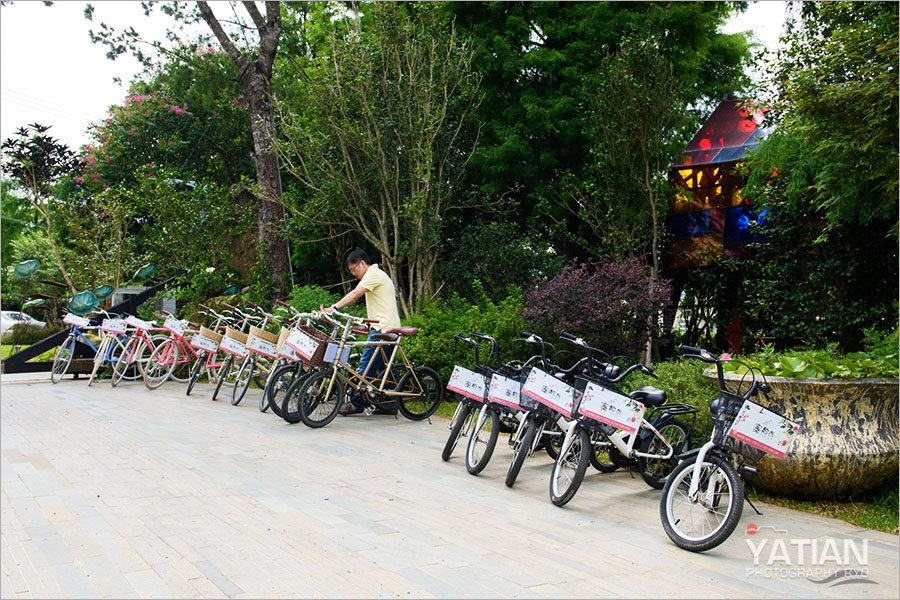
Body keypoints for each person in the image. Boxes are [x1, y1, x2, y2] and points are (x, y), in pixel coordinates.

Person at [322, 250, 402, 416]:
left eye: (353, 269)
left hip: (383, 329)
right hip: (383, 327)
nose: (353, 273)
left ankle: (356, 404)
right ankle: (390, 403)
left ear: (363, 264)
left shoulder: (373, 274)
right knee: (384, 368)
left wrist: (333, 308)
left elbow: (355, 294)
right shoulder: (375, 275)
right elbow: (380, 305)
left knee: (365, 368)